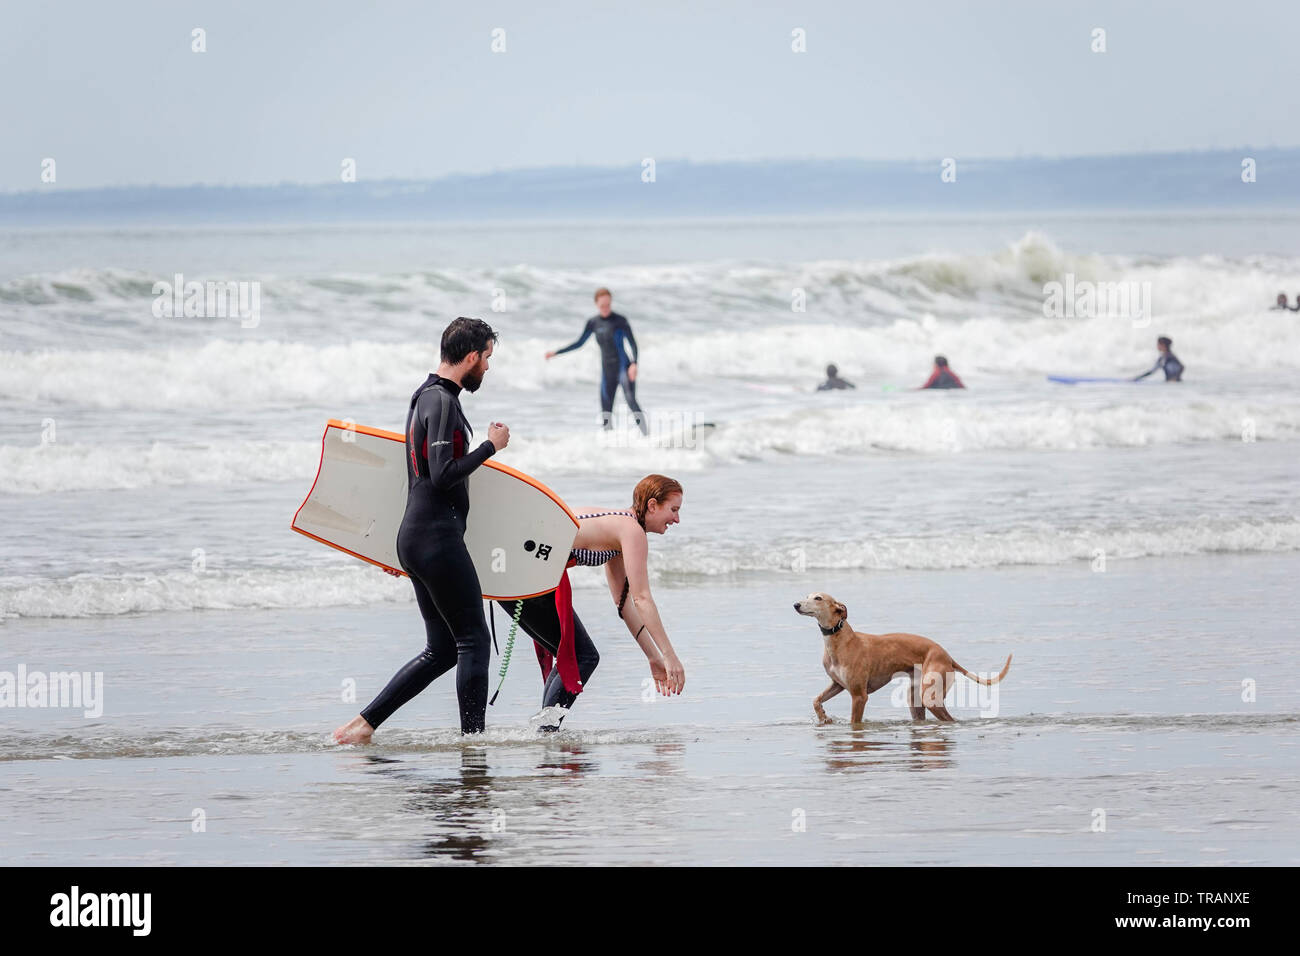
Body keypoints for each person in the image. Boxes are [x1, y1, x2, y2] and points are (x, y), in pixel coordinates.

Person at [333, 317, 510, 744]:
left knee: (444, 649)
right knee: (473, 641)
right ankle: (473, 744)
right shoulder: (441, 401)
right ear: (471, 357)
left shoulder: (425, 398)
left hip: (419, 537)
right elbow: (442, 475)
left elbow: (412, 476)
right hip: (435, 538)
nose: (487, 367)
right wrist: (491, 446)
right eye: (486, 358)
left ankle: (361, 726)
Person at [496, 475, 687, 731]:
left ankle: (545, 733)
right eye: (673, 510)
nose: (676, 519)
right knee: (584, 656)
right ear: (652, 505)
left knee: (579, 655)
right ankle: (545, 734)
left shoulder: (622, 529)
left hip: (517, 572)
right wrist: (670, 656)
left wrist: (653, 657)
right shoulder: (631, 531)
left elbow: (624, 603)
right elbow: (642, 598)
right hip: (523, 574)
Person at [546, 287, 648, 434]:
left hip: (623, 368)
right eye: (602, 306)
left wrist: (634, 364)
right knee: (606, 410)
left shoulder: (620, 321)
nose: (605, 308)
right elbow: (579, 343)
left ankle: (646, 434)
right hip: (607, 371)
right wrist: (556, 352)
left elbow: (633, 343)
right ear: (596, 304)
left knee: (631, 401)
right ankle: (609, 441)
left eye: (608, 305)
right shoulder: (593, 323)